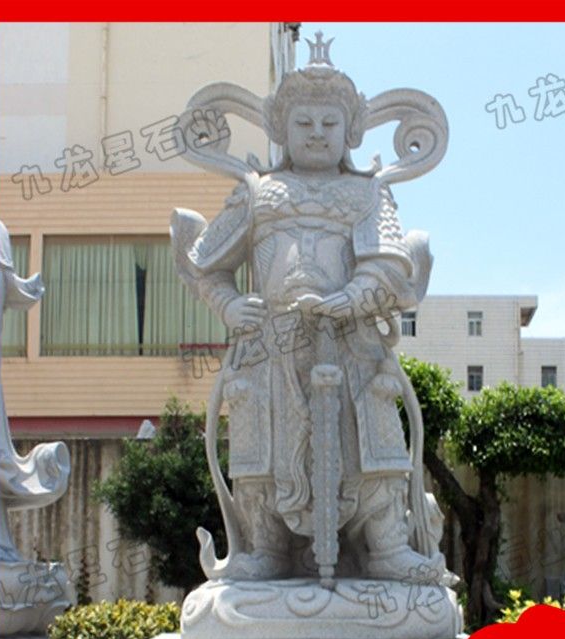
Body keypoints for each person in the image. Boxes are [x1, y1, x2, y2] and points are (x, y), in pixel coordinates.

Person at [173, 44, 446, 585]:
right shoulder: (258, 193)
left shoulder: (367, 193)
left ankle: (387, 546)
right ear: (282, 128)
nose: (317, 133)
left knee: (374, 441)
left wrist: (354, 298)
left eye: (329, 122)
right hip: (270, 345)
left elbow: (389, 266)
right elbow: (206, 265)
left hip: (351, 341)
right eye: (303, 122)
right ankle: (266, 548)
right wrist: (230, 304)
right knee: (261, 445)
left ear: (351, 131)